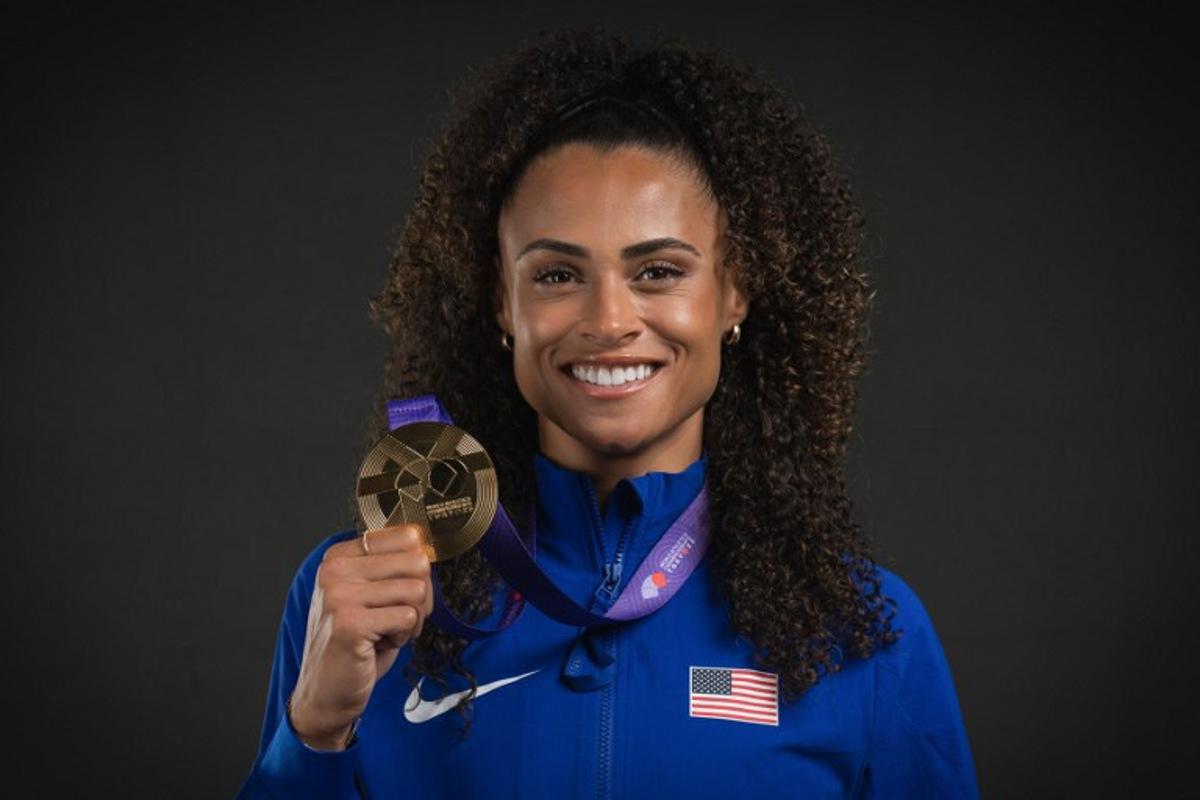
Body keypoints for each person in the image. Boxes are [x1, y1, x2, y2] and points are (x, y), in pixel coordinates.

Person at [236, 27, 979, 799]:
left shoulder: (863, 631)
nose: (610, 319)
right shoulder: (361, 599)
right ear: (503, 302)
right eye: (557, 274)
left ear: (736, 292)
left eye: (659, 270)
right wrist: (315, 732)